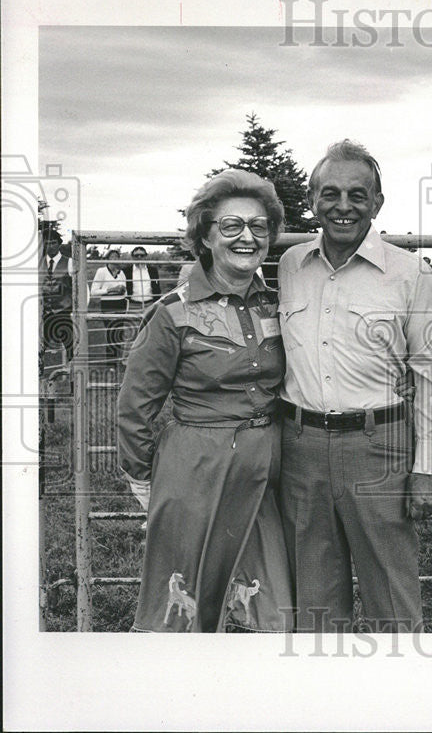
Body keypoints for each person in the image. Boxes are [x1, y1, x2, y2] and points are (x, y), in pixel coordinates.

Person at [277, 140, 432, 632]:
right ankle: (329, 702)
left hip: (379, 449)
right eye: (330, 193)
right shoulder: (289, 265)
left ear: (377, 203)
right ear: (312, 199)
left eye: (358, 195)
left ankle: (398, 701)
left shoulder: (409, 271)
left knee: (393, 600)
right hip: (300, 449)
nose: (343, 206)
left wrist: (428, 470)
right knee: (312, 601)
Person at [116, 169, 292, 632]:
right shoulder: (172, 312)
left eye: (258, 227)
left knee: (271, 612)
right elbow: (136, 406)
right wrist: (142, 479)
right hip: (193, 474)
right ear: (206, 235)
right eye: (231, 226)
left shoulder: (277, 305)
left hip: (264, 475)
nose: (247, 237)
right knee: (183, 610)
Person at [39, 230, 75, 363]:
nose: (50, 246)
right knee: (39, 349)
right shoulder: (38, 263)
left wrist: (76, 311)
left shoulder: (70, 262)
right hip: (44, 314)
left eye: (53, 242)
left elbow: (81, 289)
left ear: (59, 244)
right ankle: (38, 379)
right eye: (47, 243)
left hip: (64, 313)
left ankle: (73, 382)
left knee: (71, 349)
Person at [90, 249, 129, 361]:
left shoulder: (121, 273)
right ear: (107, 259)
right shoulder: (101, 271)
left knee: (119, 332)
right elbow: (94, 291)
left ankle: (118, 359)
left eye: (117, 257)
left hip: (121, 304)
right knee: (111, 332)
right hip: (108, 304)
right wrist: (110, 290)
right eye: (112, 257)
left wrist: (122, 290)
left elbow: (126, 291)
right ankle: (110, 361)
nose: (115, 259)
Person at [125, 246, 161, 312]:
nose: (139, 257)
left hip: (150, 304)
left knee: (150, 322)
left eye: (142, 255)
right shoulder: (126, 271)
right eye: (136, 255)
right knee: (133, 322)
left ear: (146, 256)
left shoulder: (153, 270)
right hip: (133, 305)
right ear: (132, 257)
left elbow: (157, 287)